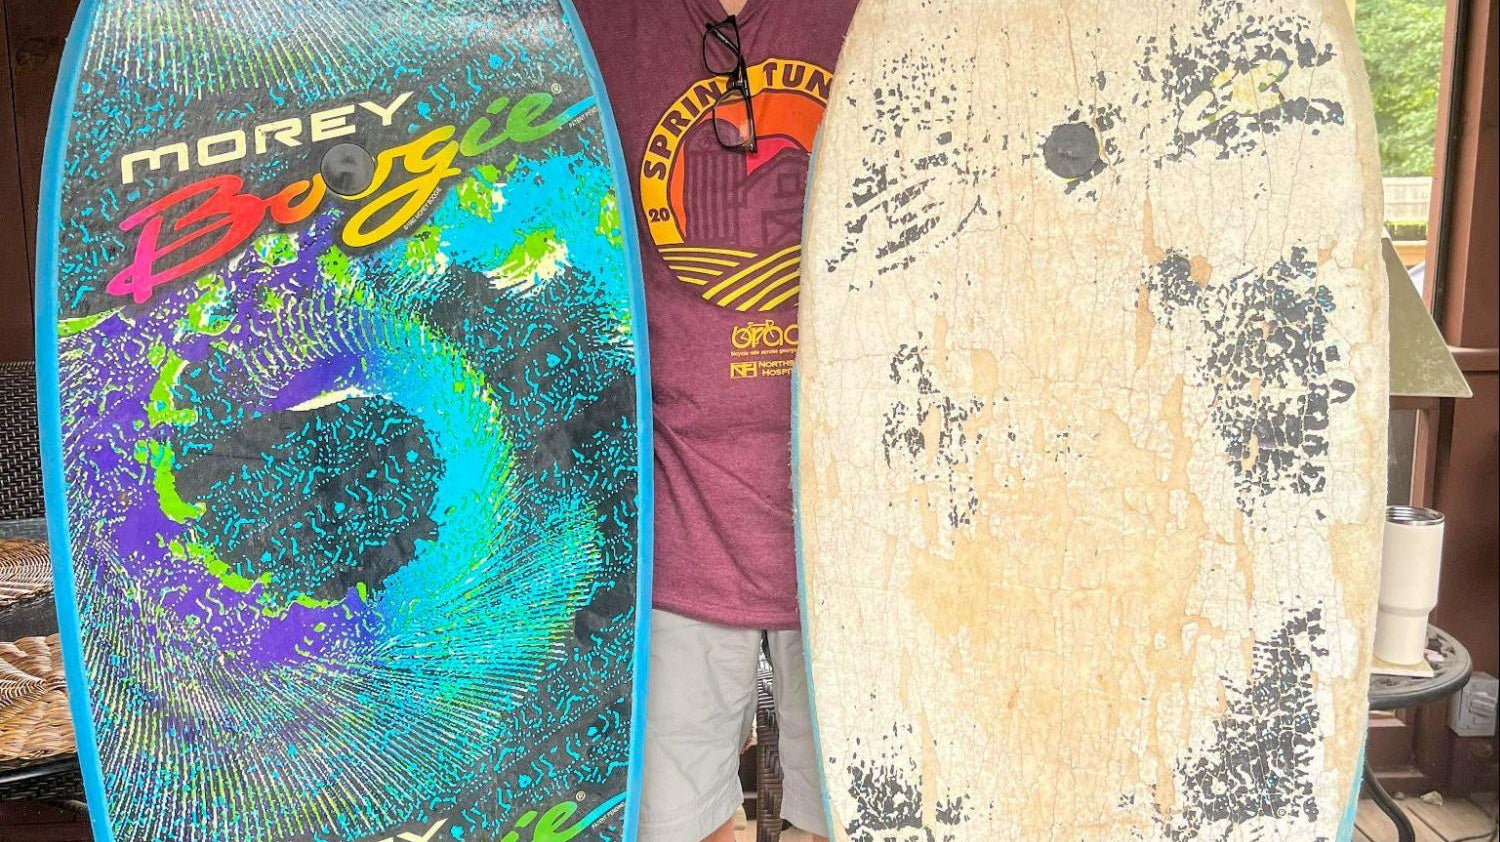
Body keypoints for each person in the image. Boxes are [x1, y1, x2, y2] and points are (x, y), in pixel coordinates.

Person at [570, 1, 860, 840]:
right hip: (675, 535)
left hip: (861, 537)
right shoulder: (592, 21)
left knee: (849, 820)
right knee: (673, 828)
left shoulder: (877, 15)